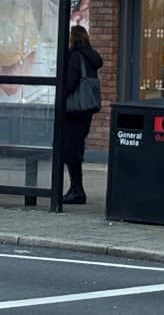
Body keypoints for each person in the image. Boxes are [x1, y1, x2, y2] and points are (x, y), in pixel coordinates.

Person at [61, 24, 102, 205]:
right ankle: (76, 189)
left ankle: (77, 190)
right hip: (86, 109)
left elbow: (69, 83)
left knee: (71, 149)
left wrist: (59, 97)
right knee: (77, 147)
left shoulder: (75, 57)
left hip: (73, 109)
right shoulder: (90, 57)